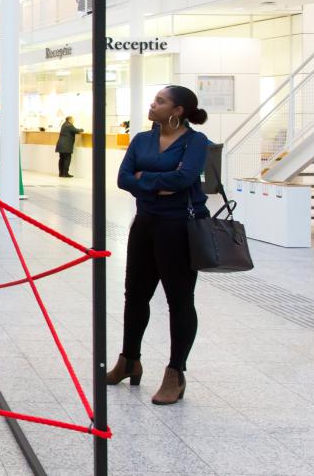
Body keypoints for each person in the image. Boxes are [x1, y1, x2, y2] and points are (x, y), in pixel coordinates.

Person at [110, 85, 210, 406]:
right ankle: (129, 360)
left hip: (179, 228)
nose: (152, 105)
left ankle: (175, 372)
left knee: (179, 300)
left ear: (178, 110)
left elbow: (185, 180)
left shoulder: (195, 142)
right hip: (145, 225)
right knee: (134, 295)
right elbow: (124, 178)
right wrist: (158, 185)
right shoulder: (141, 139)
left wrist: (145, 181)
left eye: (160, 101)